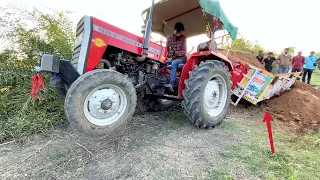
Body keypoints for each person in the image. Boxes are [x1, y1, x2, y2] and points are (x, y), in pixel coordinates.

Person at [165, 22, 187, 92]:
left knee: (174, 63)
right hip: (172, 59)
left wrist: (175, 54)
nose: (179, 34)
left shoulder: (183, 38)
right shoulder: (169, 39)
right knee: (163, 63)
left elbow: (184, 51)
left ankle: (171, 84)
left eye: (180, 32)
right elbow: (167, 50)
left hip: (181, 59)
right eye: (178, 32)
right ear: (174, 30)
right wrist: (168, 56)